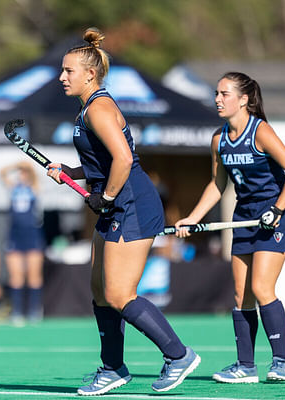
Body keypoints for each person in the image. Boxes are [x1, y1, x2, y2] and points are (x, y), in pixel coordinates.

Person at [47, 27, 200, 395]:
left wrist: (107, 196)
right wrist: (73, 172)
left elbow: (125, 158)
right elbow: (104, 160)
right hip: (116, 203)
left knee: (119, 294)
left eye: (68, 71)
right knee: (100, 291)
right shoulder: (90, 107)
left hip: (130, 205)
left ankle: (178, 355)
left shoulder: (98, 107)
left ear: (90, 74)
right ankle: (113, 368)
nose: (62, 77)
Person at [174, 71, 285, 383]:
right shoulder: (219, 139)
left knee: (261, 288)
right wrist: (193, 218)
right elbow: (218, 185)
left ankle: (282, 362)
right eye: (217, 94)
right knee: (240, 294)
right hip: (244, 217)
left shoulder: (260, 132)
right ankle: (245, 366)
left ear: (244, 100)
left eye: (224, 94)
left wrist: (276, 209)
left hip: (275, 216)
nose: (217, 99)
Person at [0, 161, 45, 325]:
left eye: (23, 173)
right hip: (14, 236)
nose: (21, 175)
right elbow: (1, 173)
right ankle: (17, 311)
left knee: (33, 276)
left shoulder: (33, 188)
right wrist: (15, 166)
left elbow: (34, 174)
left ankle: (34, 310)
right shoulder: (13, 189)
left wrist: (26, 166)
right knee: (16, 276)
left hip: (32, 236)